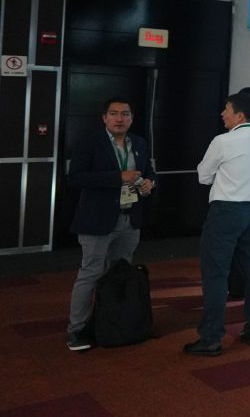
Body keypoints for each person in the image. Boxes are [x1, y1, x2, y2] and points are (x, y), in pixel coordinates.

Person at [185, 92, 250, 356]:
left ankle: (211, 337)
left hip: (226, 211)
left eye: (227, 109)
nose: (222, 114)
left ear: (240, 115)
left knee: (216, 274)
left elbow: (203, 176)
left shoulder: (223, 141)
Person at [65, 98, 157, 352]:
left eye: (125, 114)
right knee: (91, 273)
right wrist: (118, 177)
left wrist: (150, 182)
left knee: (120, 273)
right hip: (97, 219)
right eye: (114, 114)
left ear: (131, 118)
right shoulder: (89, 142)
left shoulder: (139, 143)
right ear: (104, 118)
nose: (119, 118)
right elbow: (76, 178)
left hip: (130, 219)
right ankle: (77, 330)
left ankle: (115, 323)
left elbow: (149, 172)